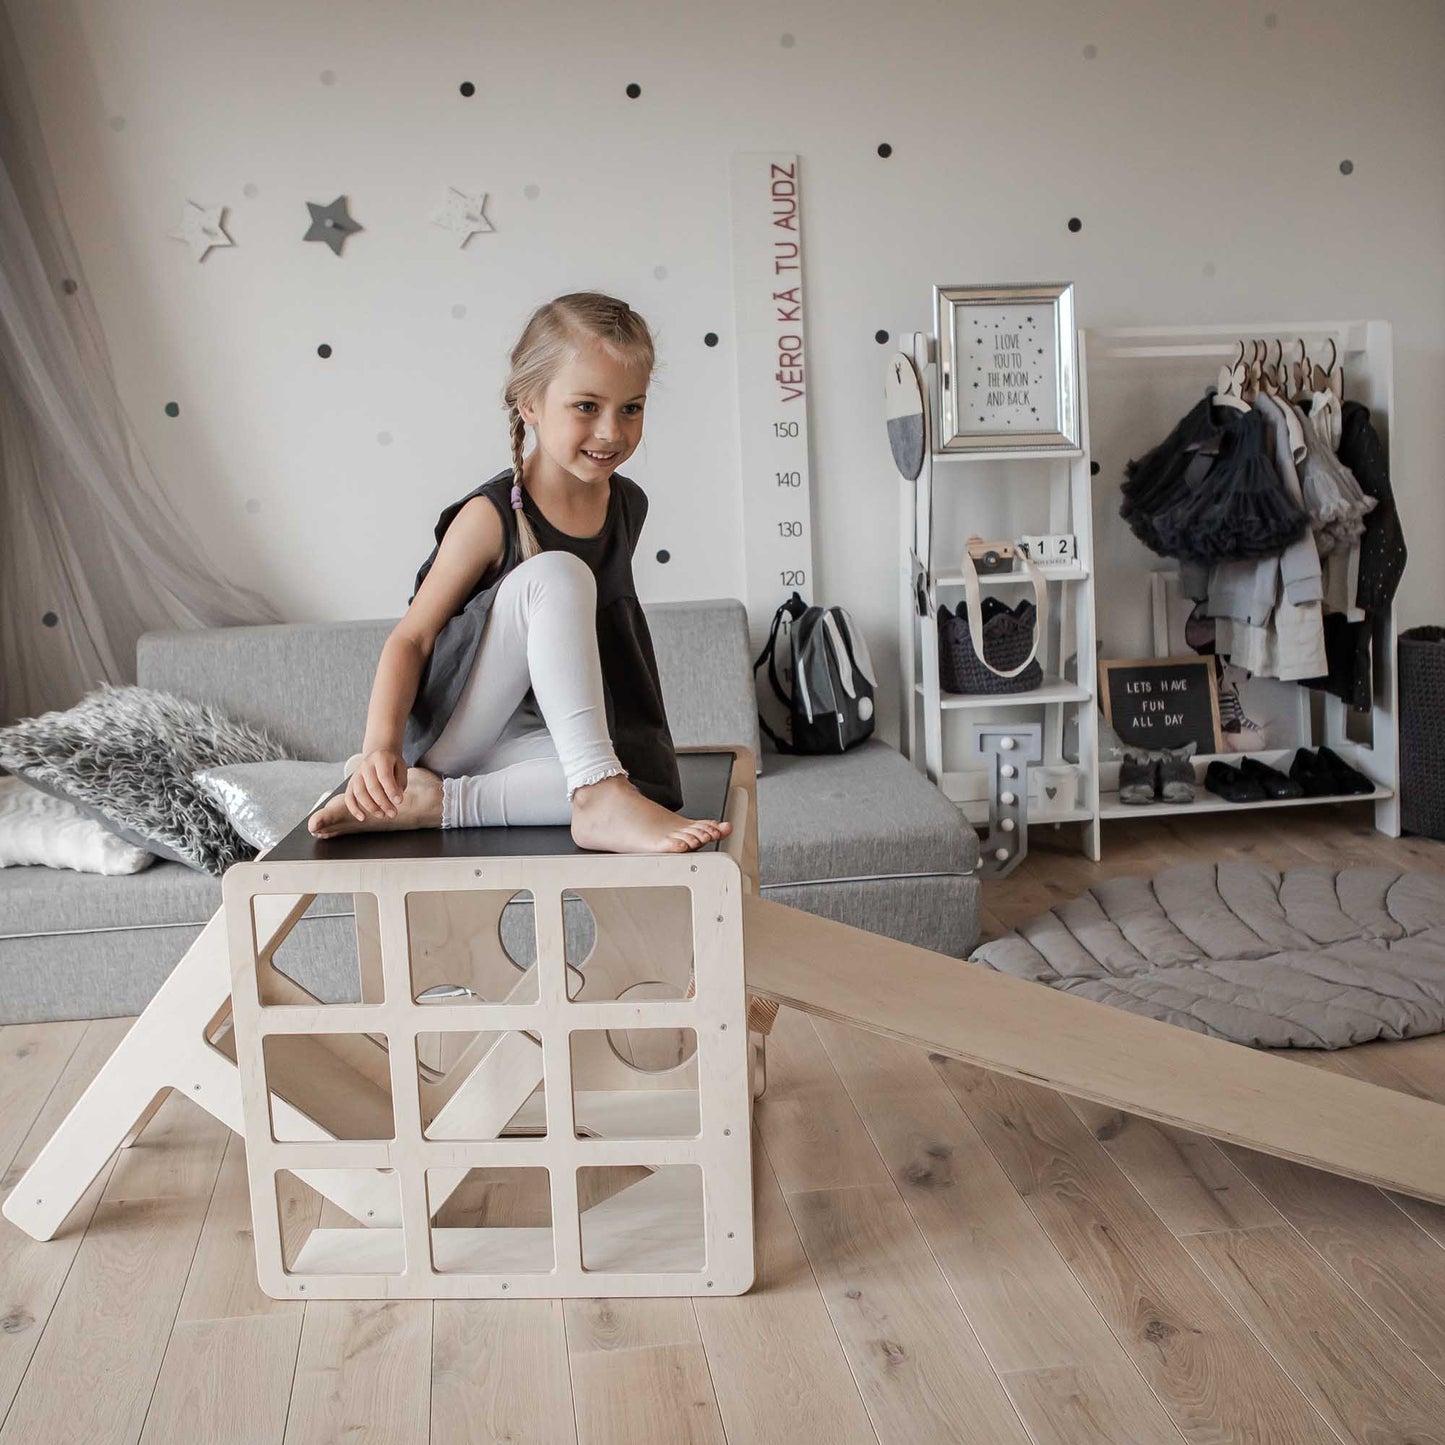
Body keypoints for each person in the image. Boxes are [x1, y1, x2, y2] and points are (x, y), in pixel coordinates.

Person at [307, 291, 732, 854]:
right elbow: (412, 637)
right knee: (559, 575)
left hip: (529, 737)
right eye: (587, 406)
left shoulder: (629, 504)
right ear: (529, 404)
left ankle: (440, 804)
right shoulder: (489, 517)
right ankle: (592, 796)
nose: (612, 431)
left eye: (631, 408)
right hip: (457, 729)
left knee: (625, 781)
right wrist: (381, 747)